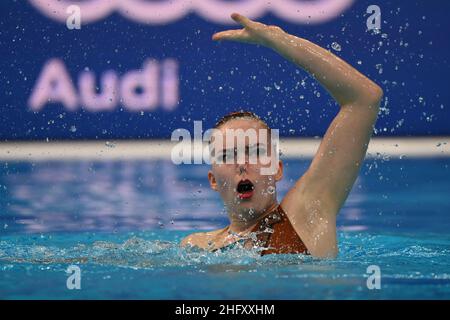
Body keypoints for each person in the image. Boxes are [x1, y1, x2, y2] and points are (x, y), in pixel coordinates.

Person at [181, 13, 383, 258]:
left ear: (277, 169)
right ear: (212, 180)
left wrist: (279, 40)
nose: (242, 164)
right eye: (227, 155)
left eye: (255, 152)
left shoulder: (305, 216)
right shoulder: (197, 246)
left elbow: (364, 98)